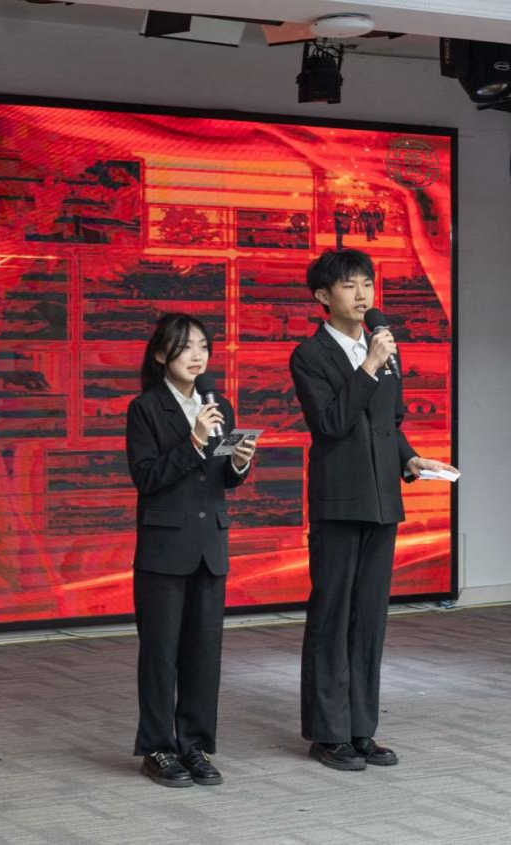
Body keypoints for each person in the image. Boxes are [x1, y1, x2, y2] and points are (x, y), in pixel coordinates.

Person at [290, 248, 457, 771]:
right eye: (349, 285)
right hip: (340, 502)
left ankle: (361, 728)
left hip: (384, 499)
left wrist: (410, 458)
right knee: (332, 616)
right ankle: (328, 733)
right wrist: (367, 366)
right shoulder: (310, 355)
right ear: (323, 296)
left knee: (369, 621)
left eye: (367, 283)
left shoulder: (382, 346)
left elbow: (390, 422)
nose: (362, 294)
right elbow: (332, 423)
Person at [125, 313, 257, 787]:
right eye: (185, 347)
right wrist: (195, 441)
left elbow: (221, 479)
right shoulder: (145, 408)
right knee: (161, 653)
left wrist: (238, 463)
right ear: (162, 354)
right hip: (164, 548)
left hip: (210, 545)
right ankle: (159, 748)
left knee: (204, 653)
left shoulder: (219, 404)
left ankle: (195, 745)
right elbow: (146, 478)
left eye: (203, 346)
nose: (197, 356)